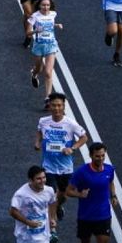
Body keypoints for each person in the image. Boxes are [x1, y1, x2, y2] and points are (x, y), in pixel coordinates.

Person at [66, 141, 118, 243]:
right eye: (97, 156)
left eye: (103, 155)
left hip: (103, 217)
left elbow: (110, 183)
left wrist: (114, 196)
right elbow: (68, 191)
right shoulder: (82, 172)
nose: (100, 159)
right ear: (91, 156)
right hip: (86, 217)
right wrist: (80, 195)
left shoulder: (109, 169)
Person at [35, 92, 87, 233]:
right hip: (48, 166)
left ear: (63, 107)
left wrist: (72, 148)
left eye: (59, 106)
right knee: (52, 194)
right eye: (54, 105)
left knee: (63, 195)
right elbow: (39, 132)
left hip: (65, 168)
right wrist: (37, 142)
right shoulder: (43, 121)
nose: (56, 108)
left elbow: (84, 137)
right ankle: (53, 227)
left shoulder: (70, 124)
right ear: (49, 106)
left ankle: (58, 206)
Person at [27, 0, 62, 95]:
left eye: (47, 5)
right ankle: (34, 74)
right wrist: (35, 31)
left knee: (48, 72)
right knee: (39, 68)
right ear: (39, 5)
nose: (46, 7)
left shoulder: (53, 14)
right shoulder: (35, 16)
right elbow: (28, 33)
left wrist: (57, 25)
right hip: (39, 45)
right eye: (43, 5)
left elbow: (50, 24)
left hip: (51, 45)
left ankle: (48, 97)